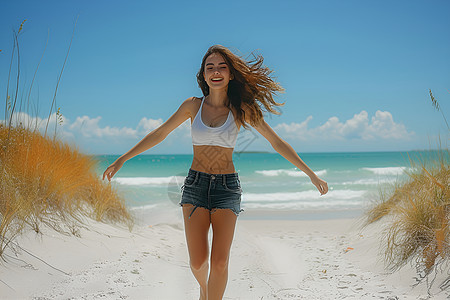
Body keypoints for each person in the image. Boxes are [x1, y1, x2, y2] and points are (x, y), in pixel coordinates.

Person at [102, 45, 328, 300]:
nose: (216, 71)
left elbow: (276, 142)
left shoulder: (242, 109)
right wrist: (123, 159)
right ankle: (204, 290)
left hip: (226, 189)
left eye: (222, 67)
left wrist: (311, 174)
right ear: (203, 75)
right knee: (198, 264)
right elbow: (160, 133)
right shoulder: (192, 106)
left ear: (231, 74)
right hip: (195, 188)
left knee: (219, 263)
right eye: (210, 67)